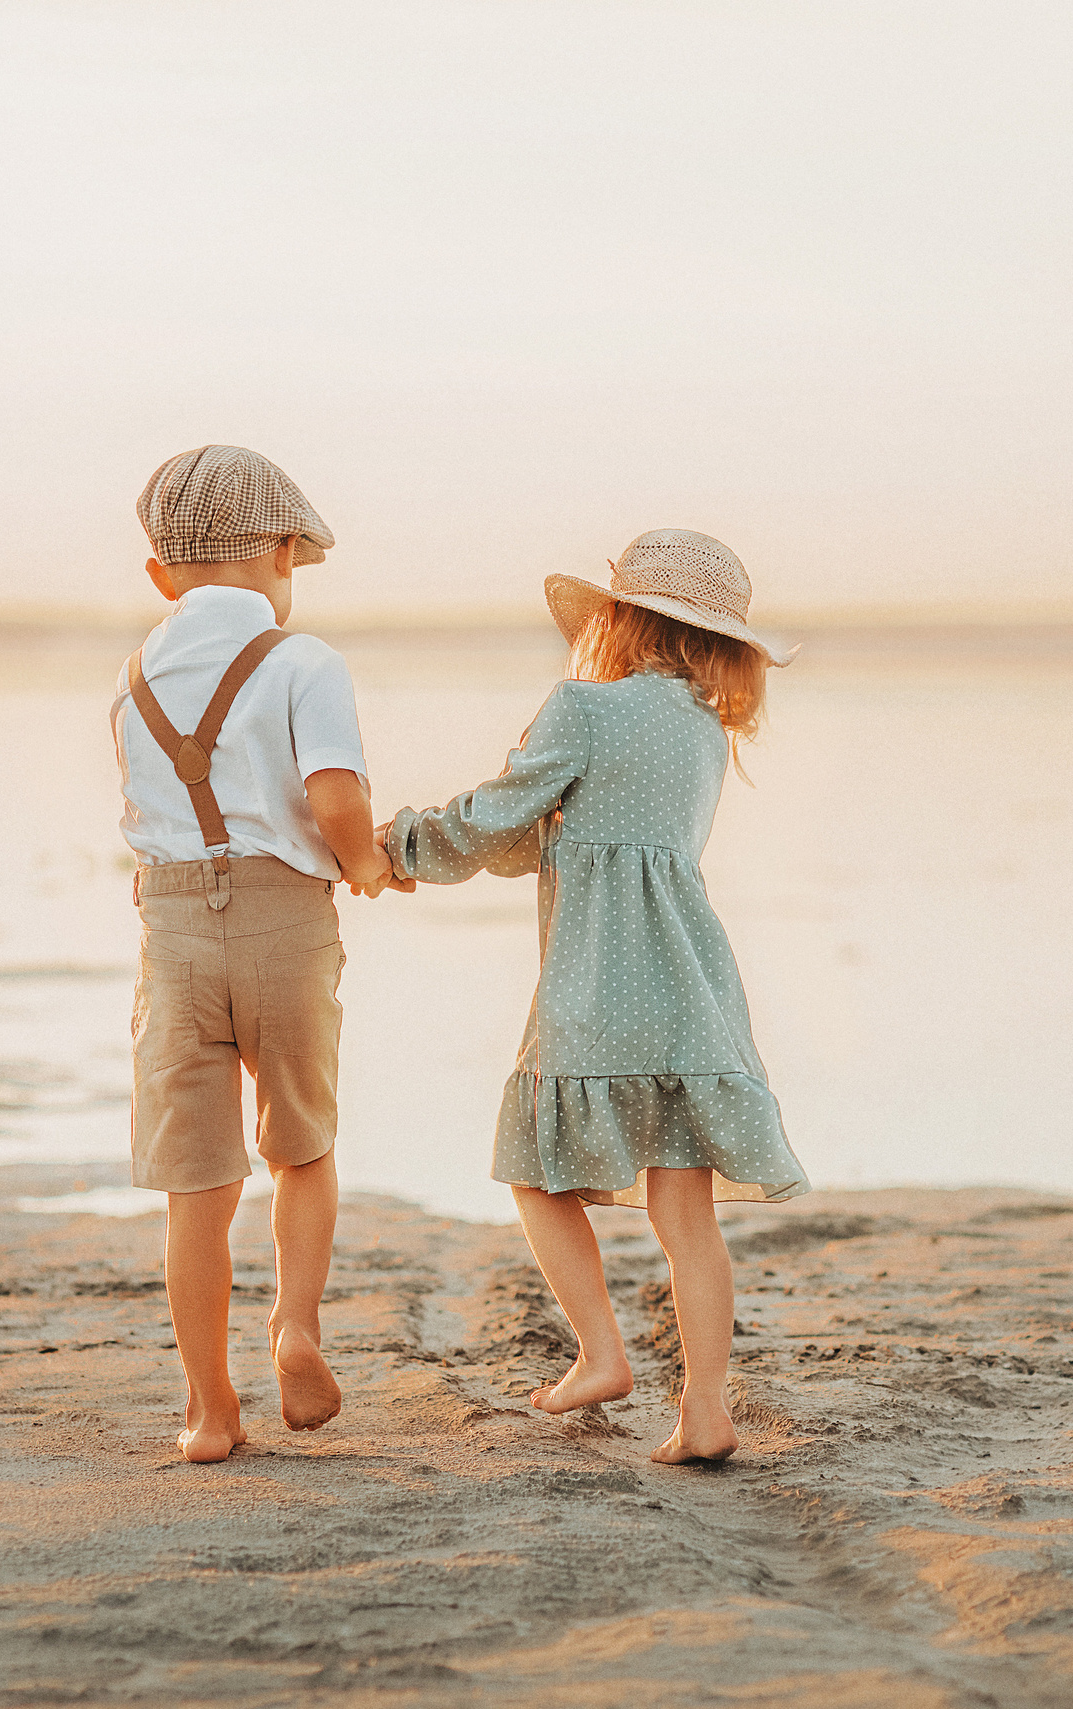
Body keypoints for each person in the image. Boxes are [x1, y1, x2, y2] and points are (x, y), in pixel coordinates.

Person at [375, 529, 809, 1466]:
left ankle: (602, 1351)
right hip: (690, 986)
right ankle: (704, 1408)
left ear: (620, 619)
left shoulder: (582, 707)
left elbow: (501, 818)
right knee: (684, 1213)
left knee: (535, 1171)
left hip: (595, 982)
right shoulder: (705, 731)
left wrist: (400, 847)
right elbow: (579, 838)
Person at [113, 444, 405, 1465]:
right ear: (282, 553)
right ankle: (295, 1327)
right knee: (301, 1142)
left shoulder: (136, 669)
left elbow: (146, 811)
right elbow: (334, 797)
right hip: (284, 921)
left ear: (161, 576)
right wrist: (366, 864)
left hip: (177, 931)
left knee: (196, 1177)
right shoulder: (304, 661)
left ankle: (206, 1405)